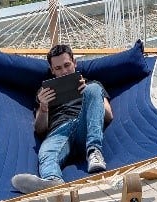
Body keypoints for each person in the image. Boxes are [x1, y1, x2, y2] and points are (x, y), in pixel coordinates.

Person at [11, 43, 113, 193]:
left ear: (75, 63)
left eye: (67, 65)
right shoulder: (44, 92)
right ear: (52, 70)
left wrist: (89, 94)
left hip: (84, 127)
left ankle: (93, 153)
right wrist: (44, 107)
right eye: (58, 68)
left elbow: (109, 116)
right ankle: (53, 182)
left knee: (94, 89)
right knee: (47, 153)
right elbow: (40, 129)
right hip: (58, 132)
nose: (64, 71)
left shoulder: (92, 84)